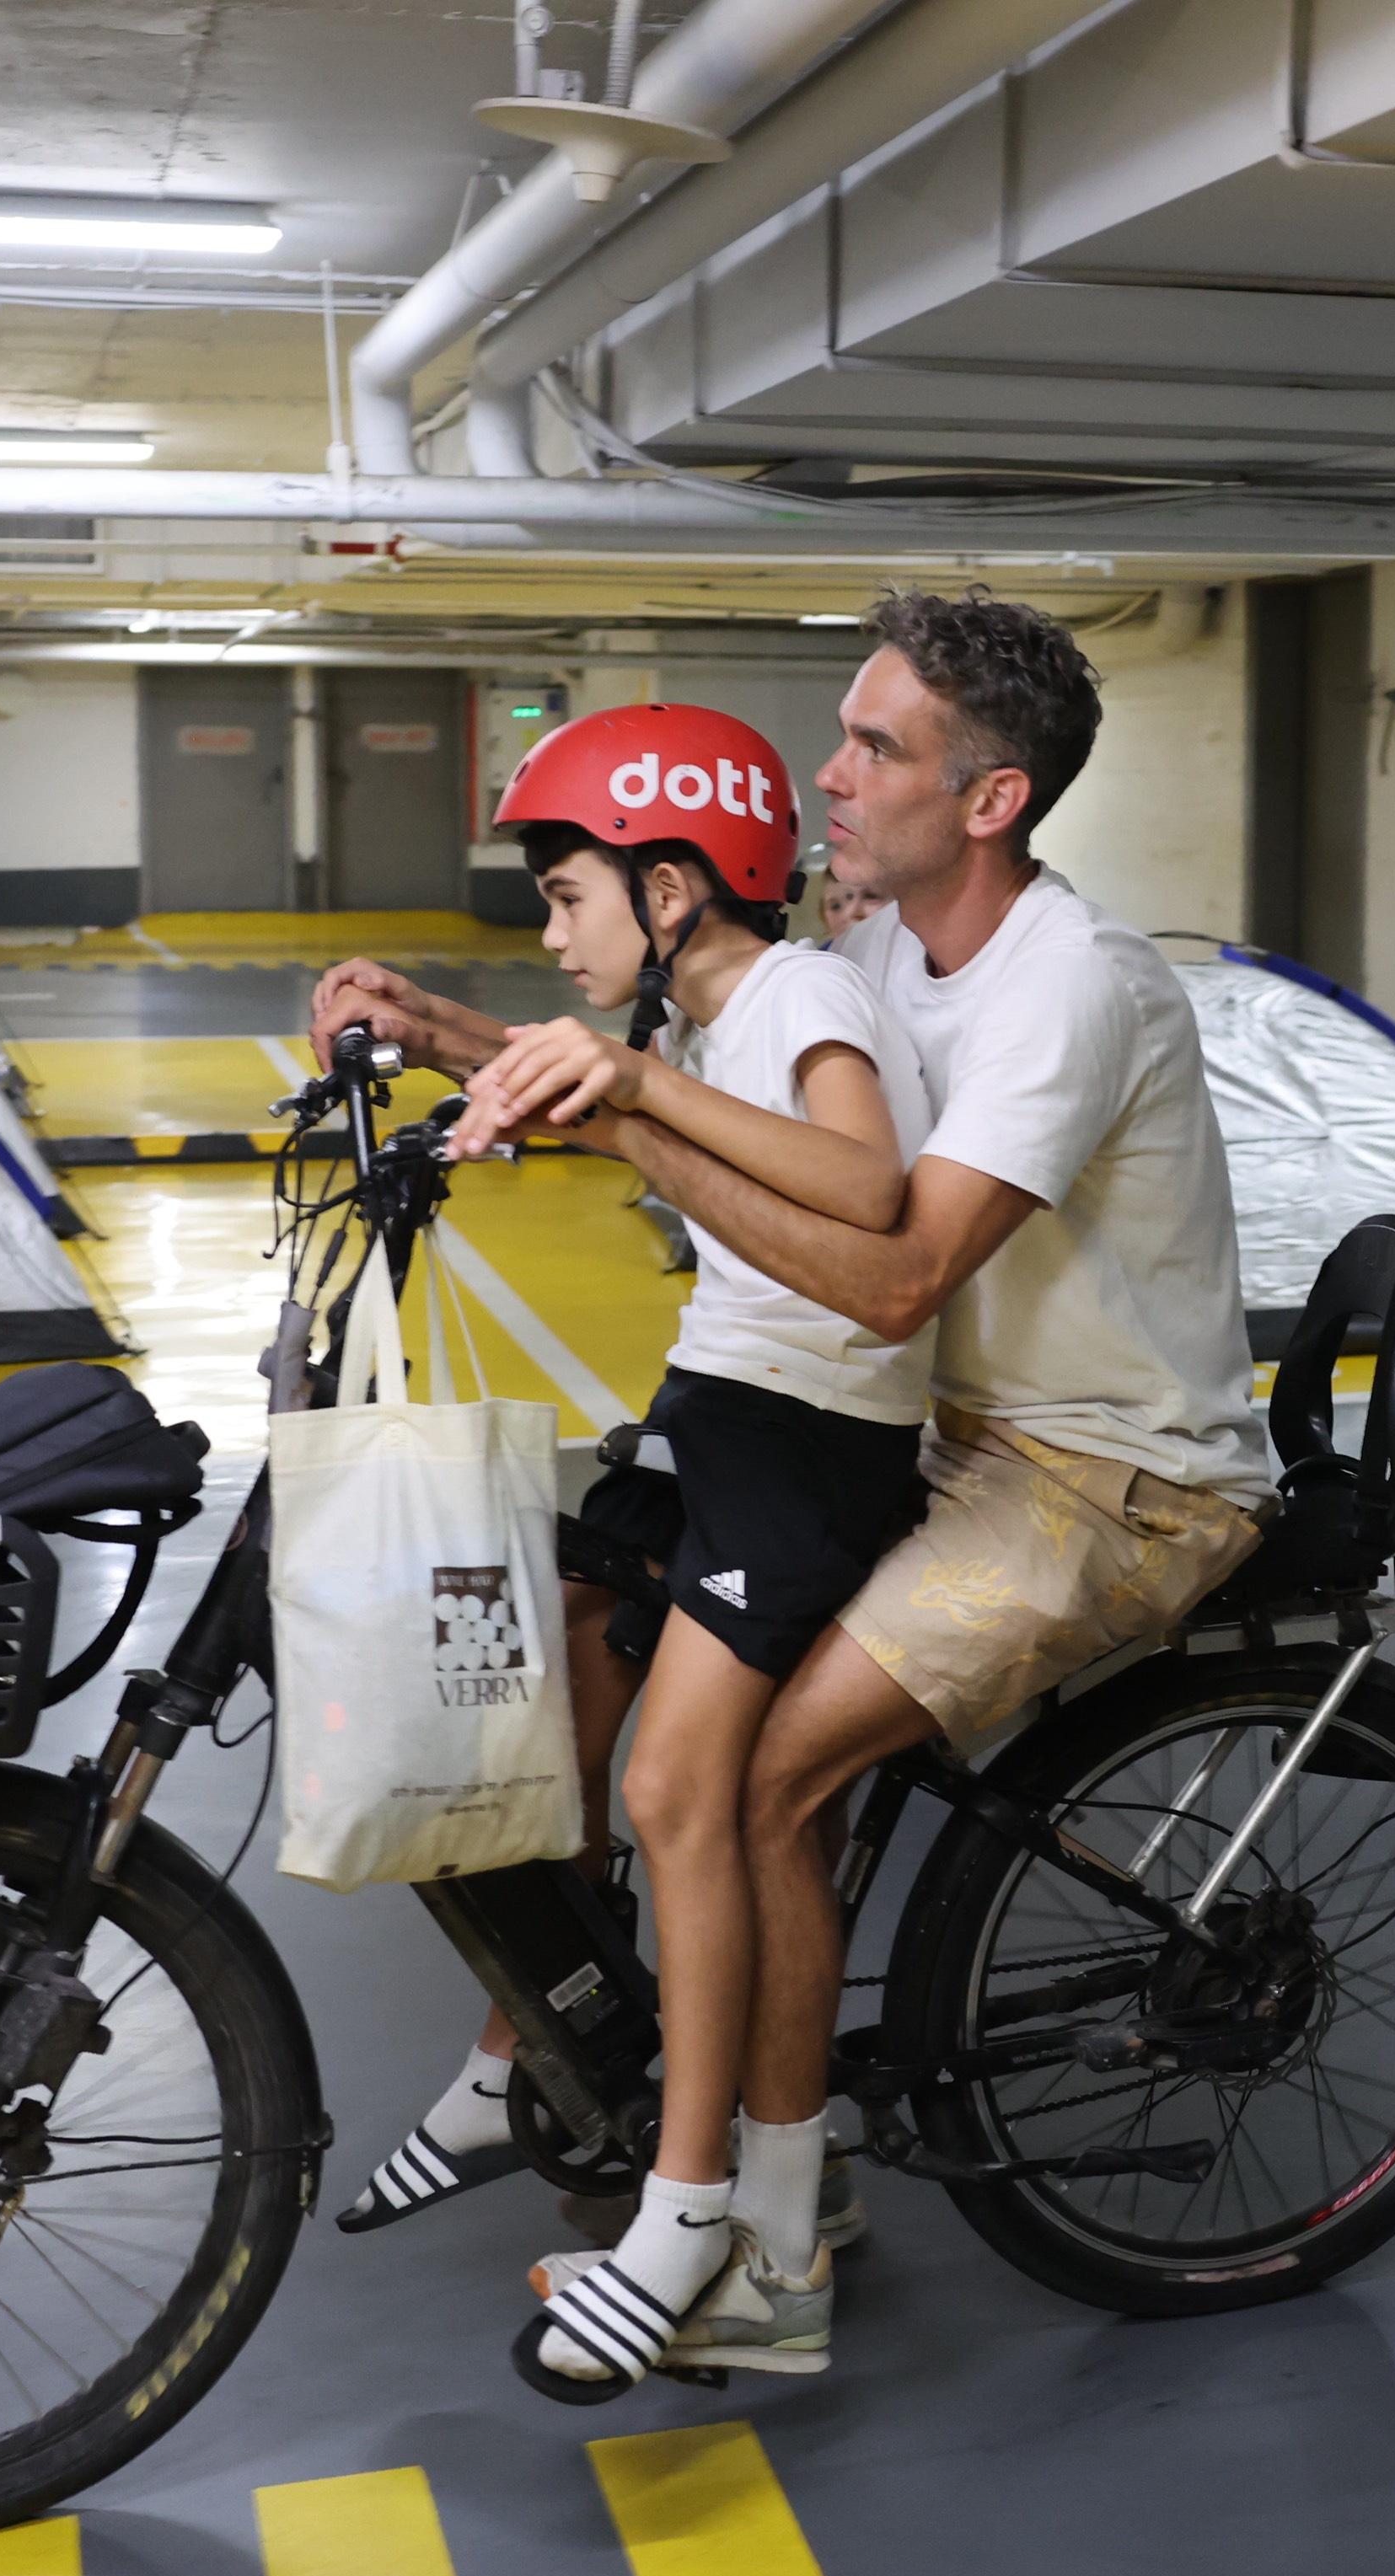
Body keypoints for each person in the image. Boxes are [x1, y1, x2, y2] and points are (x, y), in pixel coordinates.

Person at [314, 588, 1278, 2385]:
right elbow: (702, 1073)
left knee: (756, 1780)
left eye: (875, 745)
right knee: (592, 1611)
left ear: (989, 801)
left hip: (1106, 1480)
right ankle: (583, 2065)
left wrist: (616, 1112)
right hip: (947, 1441)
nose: (824, 773)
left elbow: (896, 1271)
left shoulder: (1066, 985)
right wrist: (454, 1028)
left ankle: (765, 2246)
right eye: (842, 732)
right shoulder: (896, 946)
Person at [416, 704, 935, 2398]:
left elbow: (863, 1185)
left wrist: (631, 1080)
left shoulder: (797, 1001)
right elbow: (624, 1112)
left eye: (567, 895)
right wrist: (426, 1031)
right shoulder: (712, 1008)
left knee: (672, 1791)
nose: (554, 933)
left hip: (808, 1443)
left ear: (669, 883)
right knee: (565, 1625)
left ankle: (691, 2200)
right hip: (722, 1402)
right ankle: (520, 2046)